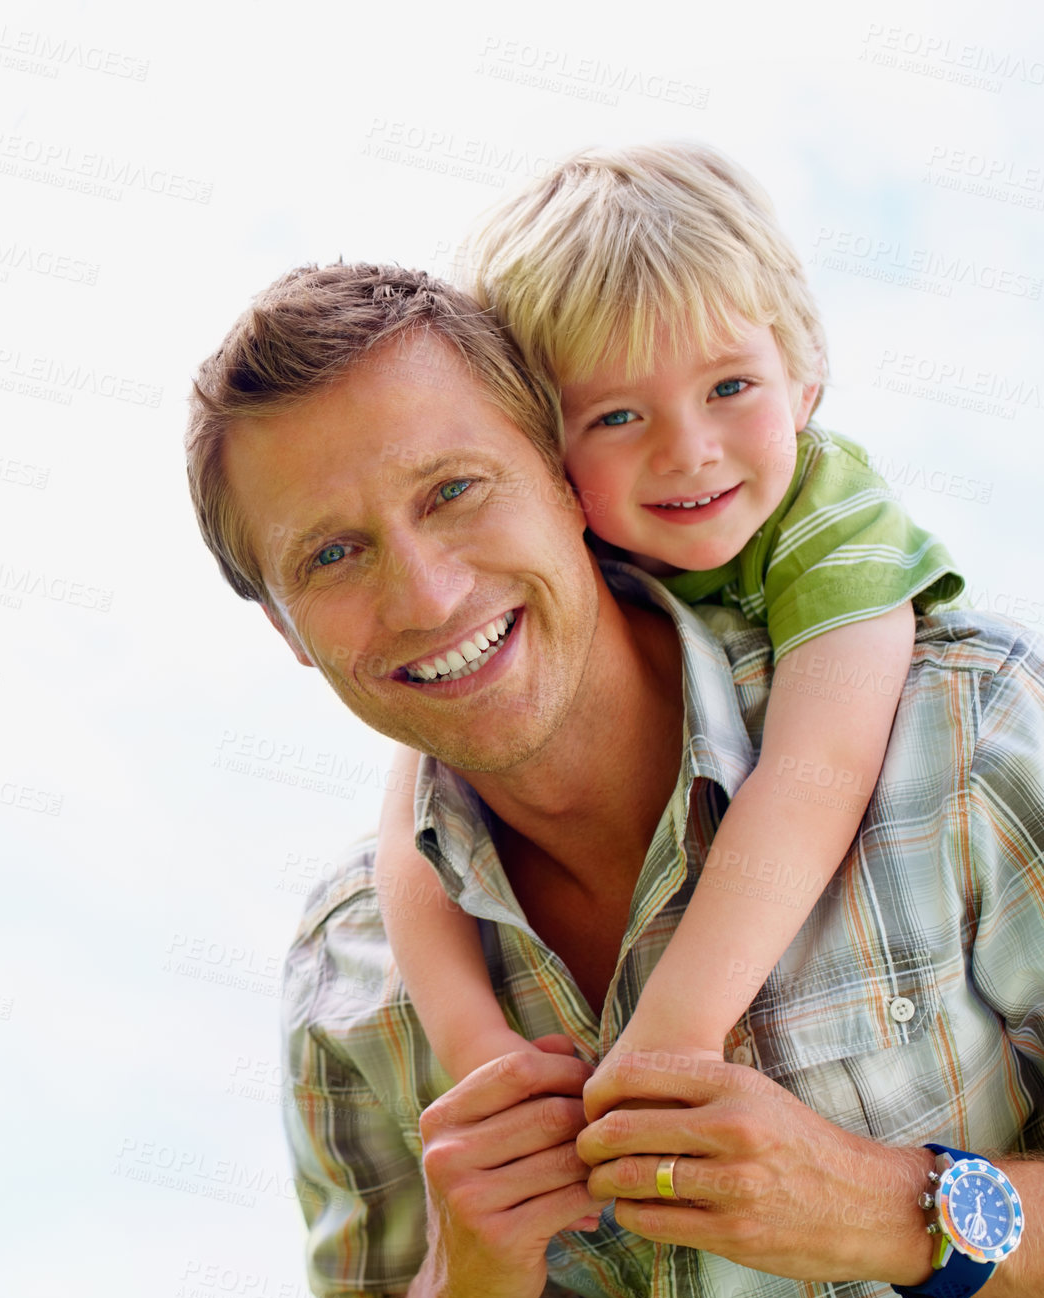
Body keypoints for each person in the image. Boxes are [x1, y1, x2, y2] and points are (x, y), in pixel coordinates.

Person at [184, 261, 1044, 1298]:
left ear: (564, 478)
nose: (426, 596)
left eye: (453, 490)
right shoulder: (347, 982)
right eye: (331, 554)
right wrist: (465, 1280)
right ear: (287, 630)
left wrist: (880, 1208)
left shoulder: (967, 734)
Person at [371, 144, 964, 1119]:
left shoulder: (830, 512)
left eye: (731, 388)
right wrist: (474, 1044)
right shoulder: (546, 555)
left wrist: (675, 1031)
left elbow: (820, 769)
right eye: (614, 416)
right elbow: (416, 817)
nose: (687, 449)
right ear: (537, 451)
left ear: (803, 376)